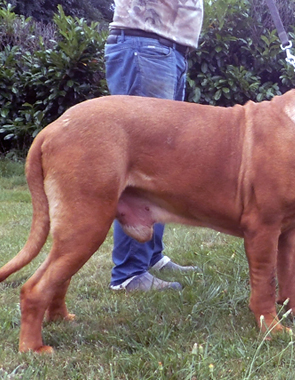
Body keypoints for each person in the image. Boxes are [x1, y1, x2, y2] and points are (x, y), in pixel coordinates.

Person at [104, 0, 204, 292]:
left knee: (162, 166)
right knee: (144, 163)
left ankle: (150, 257)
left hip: (166, 47)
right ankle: (129, 274)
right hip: (145, 43)